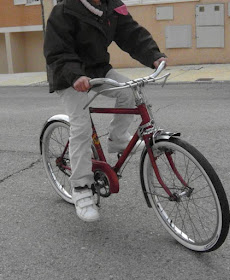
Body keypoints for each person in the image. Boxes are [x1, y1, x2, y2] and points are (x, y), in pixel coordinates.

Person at [44, 0, 167, 222]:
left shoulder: (112, 6)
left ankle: (118, 139)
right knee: (81, 128)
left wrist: (153, 54)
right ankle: (81, 188)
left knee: (129, 92)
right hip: (69, 76)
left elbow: (131, 34)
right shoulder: (64, 10)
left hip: (99, 70)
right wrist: (75, 76)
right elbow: (57, 52)